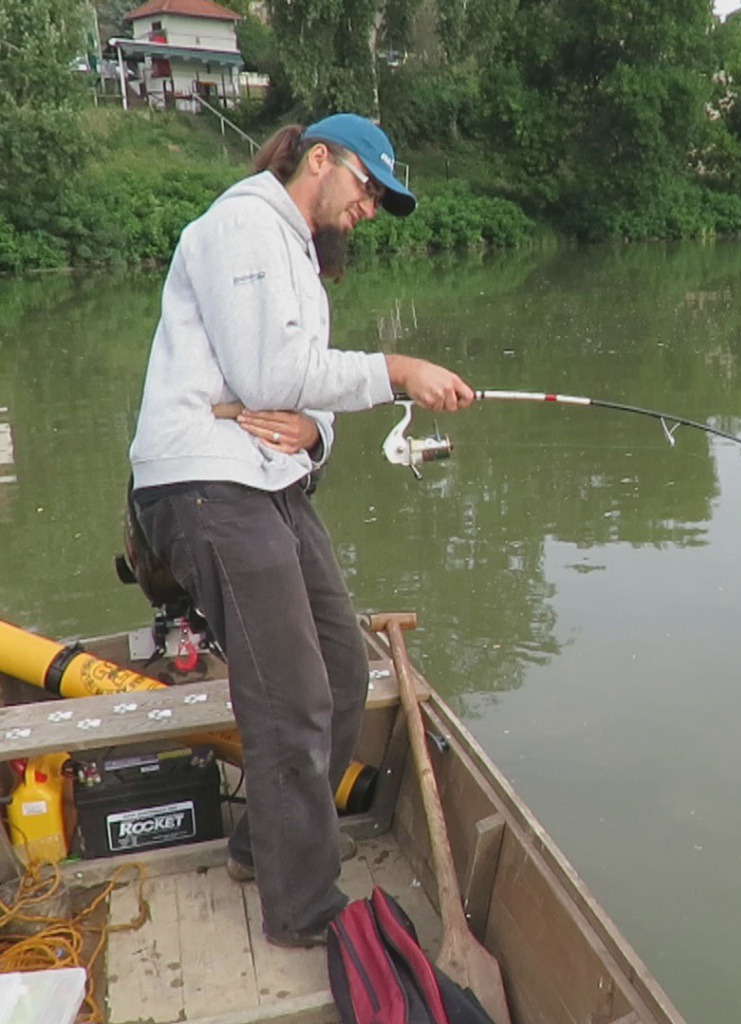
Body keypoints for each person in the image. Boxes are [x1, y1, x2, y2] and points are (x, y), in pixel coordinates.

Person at [128, 114, 475, 947]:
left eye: (383, 202)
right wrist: (396, 372)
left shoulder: (300, 256)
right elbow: (270, 375)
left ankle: (262, 845)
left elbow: (301, 393)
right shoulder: (244, 224)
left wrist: (317, 429)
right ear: (319, 158)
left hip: (271, 481)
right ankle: (305, 910)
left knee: (341, 667)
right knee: (292, 695)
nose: (370, 208)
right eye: (367, 188)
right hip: (203, 482)